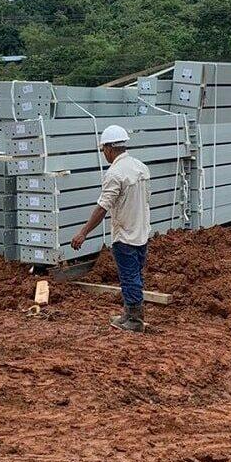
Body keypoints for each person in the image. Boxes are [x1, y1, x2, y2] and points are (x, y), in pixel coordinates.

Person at [71, 125, 151, 332]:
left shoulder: (115, 173)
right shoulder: (141, 167)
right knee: (136, 276)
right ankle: (130, 313)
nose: (103, 154)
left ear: (108, 148)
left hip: (125, 234)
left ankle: (134, 321)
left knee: (129, 277)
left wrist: (83, 232)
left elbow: (102, 208)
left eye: (103, 150)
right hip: (142, 232)